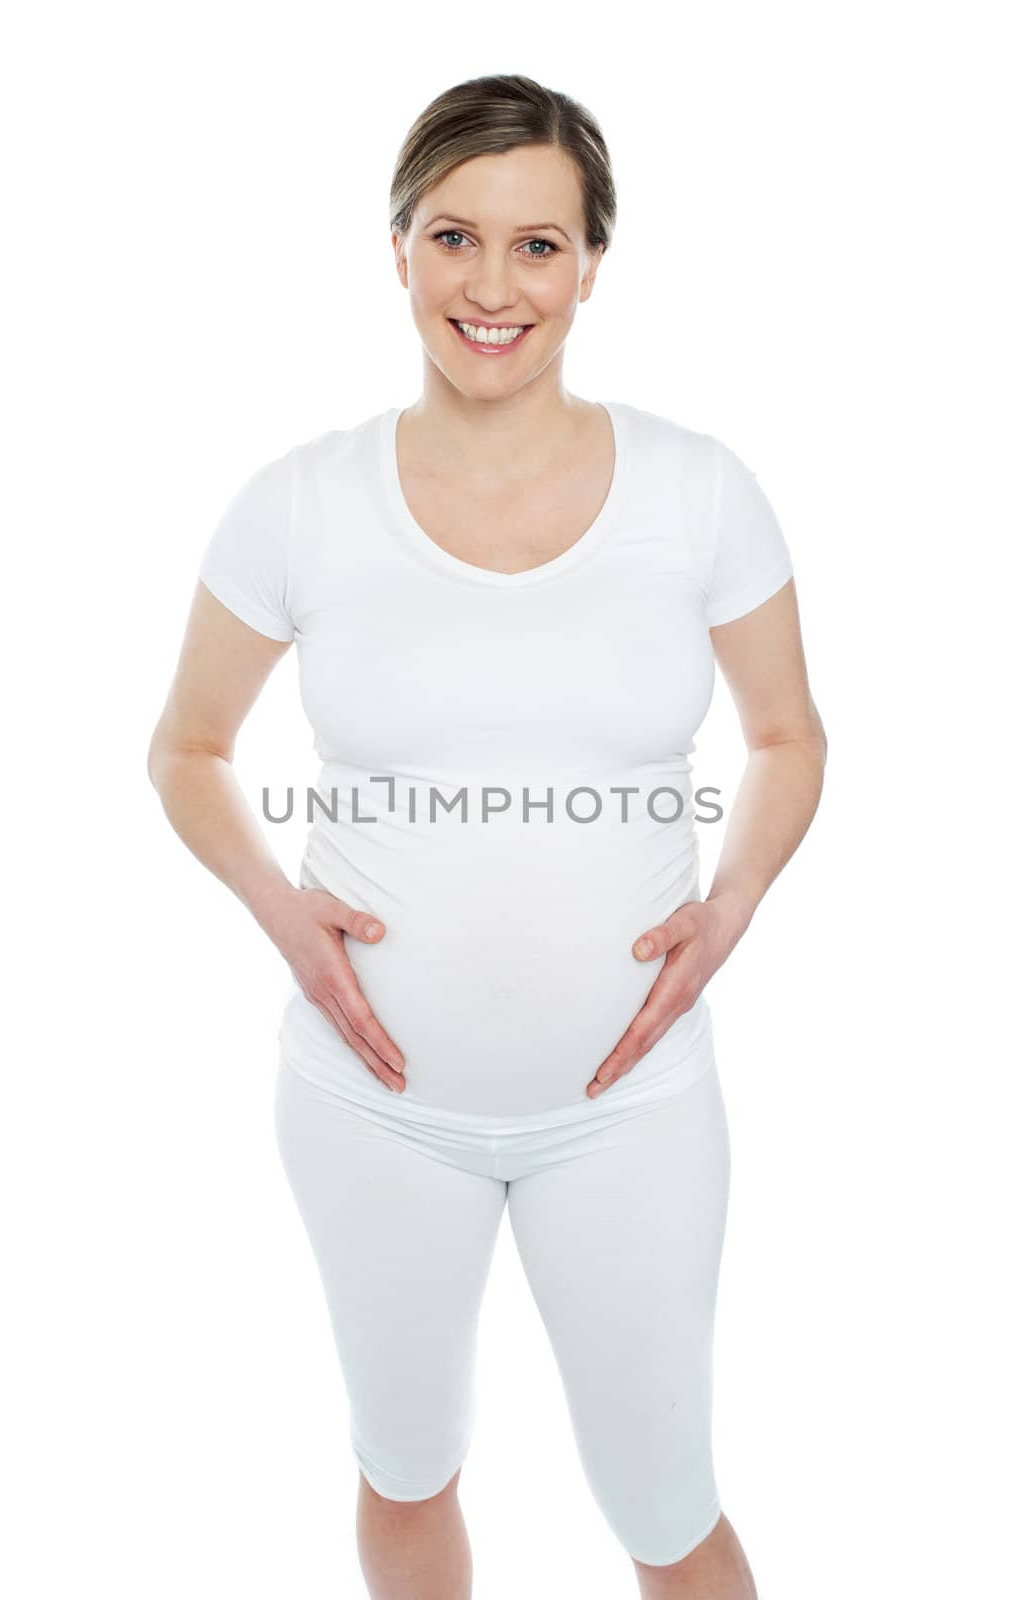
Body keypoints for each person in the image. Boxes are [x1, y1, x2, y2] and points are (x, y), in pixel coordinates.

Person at [147, 73, 826, 1600]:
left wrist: (732, 906)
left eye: (538, 246)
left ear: (590, 264)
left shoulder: (698, 491)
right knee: (404, 1465)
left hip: (631, 1105)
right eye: (454, 237)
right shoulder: (300, 504)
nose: (492, 286)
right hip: (370, 1104)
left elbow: (786, 738)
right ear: (397, 250)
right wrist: (279, 906)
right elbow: (185, 747)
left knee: (664, 1504)